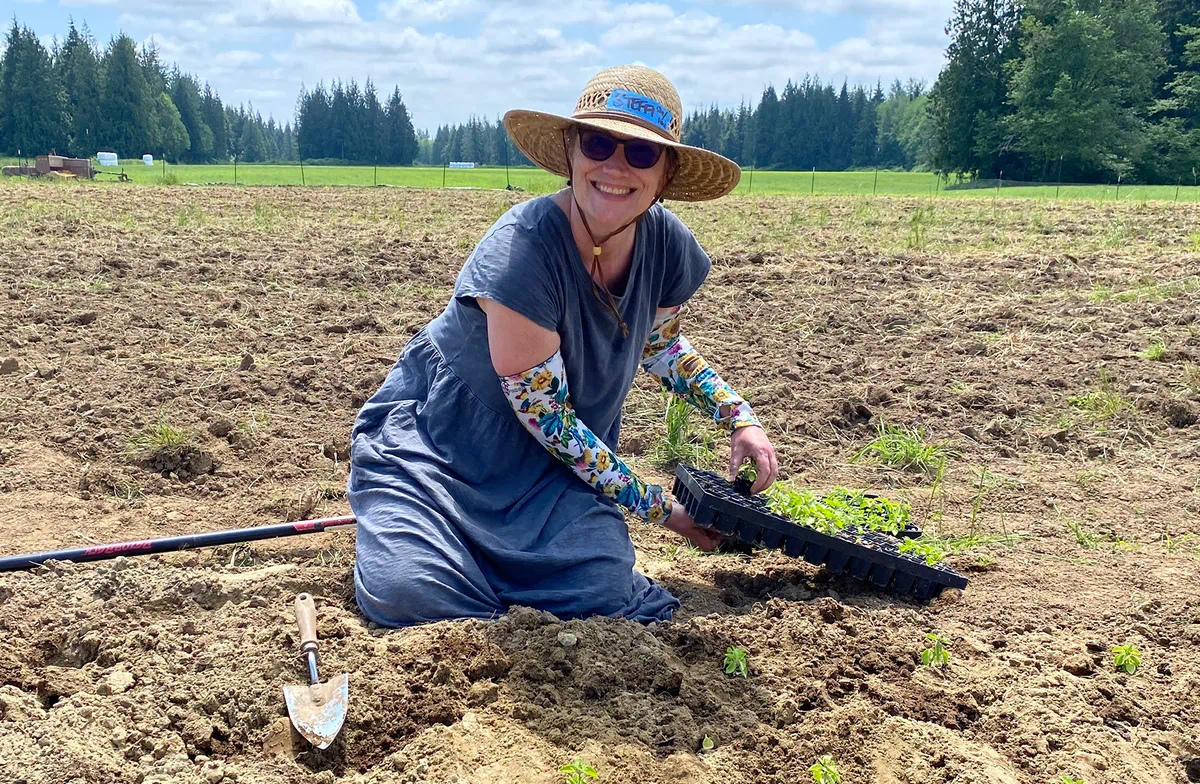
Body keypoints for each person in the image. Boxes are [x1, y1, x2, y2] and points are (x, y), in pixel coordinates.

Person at [348, 65, 778, 628]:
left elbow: (657, 345)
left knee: (602, 583)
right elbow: (547, 417)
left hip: (554, 475)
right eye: (600, 143)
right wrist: (659, 508)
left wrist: (738, 417)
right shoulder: (521, 252)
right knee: (410, 595)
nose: (616, 166)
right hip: (447, 453)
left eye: (642, 154)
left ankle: (511, 582)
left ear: (666, 174)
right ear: (572, 150)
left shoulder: (667, 245)